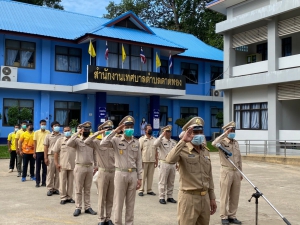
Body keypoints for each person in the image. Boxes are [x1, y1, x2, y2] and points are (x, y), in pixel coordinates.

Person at [165, 117, 217, 225]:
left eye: (200, 132)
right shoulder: (182, 148)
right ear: (188, 133)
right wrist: (183, 141)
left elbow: (209, 176)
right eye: (195, 132)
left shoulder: (205, 151)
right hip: (189, 198)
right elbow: (169, 160)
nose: (198, 135)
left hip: (205, 198)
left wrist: (212, 197)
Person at [100, 115, 142, 225]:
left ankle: (129, 223)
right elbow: (103, 143)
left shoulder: (136, 142)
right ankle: (117, 223)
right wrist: (115, 131)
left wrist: (140, 178)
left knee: (131, 203)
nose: (129, 129)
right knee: (118, 202)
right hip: (120, 173)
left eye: (131, 126)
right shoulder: (116, 140)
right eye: (126, 126)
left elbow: (139, 161)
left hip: (132, 174)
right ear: (122, 128)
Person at [84, 120, 115, 225]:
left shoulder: (114, 142)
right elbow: (86, 141)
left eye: (110, 129)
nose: (109, 131)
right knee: (102, 197)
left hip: (113, 172)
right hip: (102, 172)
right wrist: (98, 133)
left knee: (110, 197)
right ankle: (101, 218)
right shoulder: (97, 142)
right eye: (107, 129)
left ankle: (108, 217)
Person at [212, 121, 243, 225]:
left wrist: (240, 172)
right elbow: (213, 143)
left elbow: (239, 159)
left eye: (233, 130)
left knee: (235, 195)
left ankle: (232, 215)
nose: (232, 132)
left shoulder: (236, 142)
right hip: (226, 171)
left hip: (236, 172)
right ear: (225, 131)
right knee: (224, 195)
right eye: (230, 130)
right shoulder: (222, 142)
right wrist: (225, 134)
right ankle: (224, 216)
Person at [66, 121, 97, 217]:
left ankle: (87, 207)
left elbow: (95, 153)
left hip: (89, 167)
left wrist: (96, 165)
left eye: (88, 129)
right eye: (85, 129)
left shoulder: (92, 141)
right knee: (78, 189)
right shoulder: (77, 140)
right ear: (81, 130)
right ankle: (78, 208)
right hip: (80, 167)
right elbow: (68, 143)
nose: (86, 131)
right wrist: (77, 133)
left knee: (87, 189)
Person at [153, 125, 177, 204]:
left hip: (172, 164)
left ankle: (170, 196)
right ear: (164, 132)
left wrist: (177, 163)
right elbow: (155, 144)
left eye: (169, 131)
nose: (168, 133)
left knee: (171, 181)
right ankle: (162, 197)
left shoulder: (173, 142)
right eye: (167, 131)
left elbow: (176, 153)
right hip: (164, 163)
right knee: (162, 181)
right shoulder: (161, 141)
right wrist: (161, 136)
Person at [53, 126, 76, 205]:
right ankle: (63, 197)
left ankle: (69, 197)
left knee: (71, 182)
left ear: (71, 131)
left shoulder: (75, 141)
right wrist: (56, 163)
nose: (67, 132)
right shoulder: (60, 140)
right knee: (62, 181)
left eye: (68, 130)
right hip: (62, 164)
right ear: (63, 131)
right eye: (65, 131)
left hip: (73, 164)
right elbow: (55, 153)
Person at [44, 121, 63, 196]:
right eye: (55, 126)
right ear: (52, 127)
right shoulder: (48, 136)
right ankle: (50, 188)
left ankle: (56, 188)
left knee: (58, 173)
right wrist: (45, 157)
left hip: (59, 157)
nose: (57, 127)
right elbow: (45, 147)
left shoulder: (62, 136)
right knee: (50, 173)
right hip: (51, 156)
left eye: (58, 125)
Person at [138, 124, 158, 196]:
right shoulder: (142, 139)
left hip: (152, 161)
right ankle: (141, 190)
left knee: (150, 176)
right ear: (145, 130)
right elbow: (139, 151)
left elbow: (156, 151)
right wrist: (139, 162)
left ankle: (149, 190)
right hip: (144, 161)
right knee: (142, 176)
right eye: (149, 129)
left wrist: (156, 160)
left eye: (151, 129)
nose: (150, 130)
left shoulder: (155, 140)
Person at [33, 119, 50, 187]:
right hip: (38, 151)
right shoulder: (36, 132)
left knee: (45, 168)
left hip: (46, 152)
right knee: (38, 168)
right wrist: (34, 152)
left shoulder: (48, 132)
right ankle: (37, 182)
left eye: (45, 124)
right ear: (40, 124)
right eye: (42, 124)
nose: (43, 125)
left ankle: (44, 182)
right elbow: (35, 143)